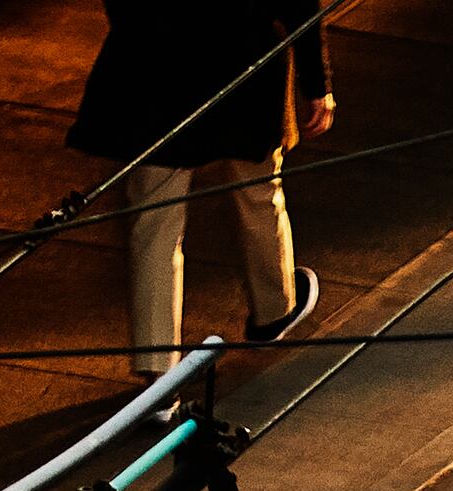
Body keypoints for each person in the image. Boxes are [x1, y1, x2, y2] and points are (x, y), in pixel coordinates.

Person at [70, 0, 336, 380]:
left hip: (157, 72)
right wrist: (316, 84)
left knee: (155, 220)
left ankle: (157, 370)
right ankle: (274, 309)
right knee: (258, 191)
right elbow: (298, 3)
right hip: (244, 62)